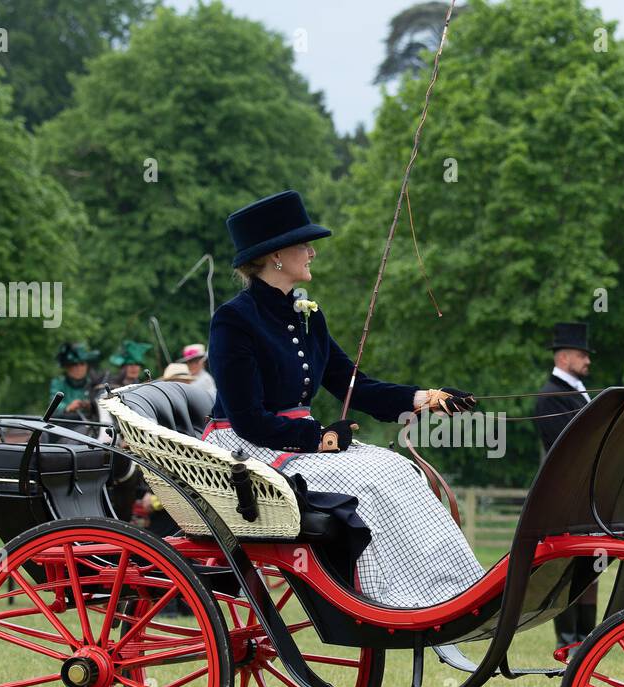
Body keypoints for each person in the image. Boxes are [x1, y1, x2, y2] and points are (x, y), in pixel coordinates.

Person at [205, 189, 483, 608]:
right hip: (244, 447)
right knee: (366, 486)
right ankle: (391, 600)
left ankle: (456, 592)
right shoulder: (233, 320)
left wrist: (428, 397)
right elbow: (248, 418)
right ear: (277, 255)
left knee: (400, 470)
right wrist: (318, 439)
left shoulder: (307, 314)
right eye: (304, 244)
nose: (312, 252)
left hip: (298, 441)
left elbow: (356, 384)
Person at [533, 322, 597, 647]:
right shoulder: (549, 397)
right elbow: (566, 447)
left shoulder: (576, 392)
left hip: (587, 493)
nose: (588, 360)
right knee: (567, 569)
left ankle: (587, 637)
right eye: (582, 355)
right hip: (565, 495)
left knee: (589, 566)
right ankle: (568, 640)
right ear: (565, 357)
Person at [49, 343, 104, 419]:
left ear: (87, 365)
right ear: (67, 366)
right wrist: (68, 407)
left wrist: (91, 405)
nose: (79, 368)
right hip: (64, 424)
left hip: (92, 425)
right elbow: (53, 404)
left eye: (82, 364)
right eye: (74, 364)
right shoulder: (58, 383)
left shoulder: (94, 383)